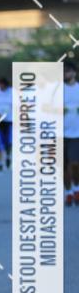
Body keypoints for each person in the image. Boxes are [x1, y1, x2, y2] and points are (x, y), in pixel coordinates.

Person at [63, 59, 79, 205]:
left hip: (76, 134)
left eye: (68, 71)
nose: (66, 74)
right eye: (64, 71)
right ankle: (68, 193)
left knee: (74, 164)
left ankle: (76, 188)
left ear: (74, 72)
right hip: (60, 133)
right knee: (63, 167)